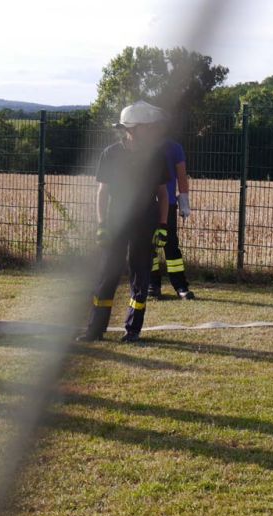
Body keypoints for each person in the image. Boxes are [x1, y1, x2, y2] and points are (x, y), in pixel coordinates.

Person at [77, 100, 170, 343]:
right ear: (133, 128)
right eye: (148, 127)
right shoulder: (111, 154)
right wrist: (102, 225)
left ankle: (132, 330)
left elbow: (163, 194)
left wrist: (162, 226)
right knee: (107, 274)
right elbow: (102, 192)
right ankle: (95, 330)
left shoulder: (156, 155)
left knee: (140, 276)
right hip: (116, 222)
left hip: (145, 223)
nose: (152, 131)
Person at [148, 137, 194, 299]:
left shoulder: (174, 148)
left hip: (169, 204)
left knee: (171, 244)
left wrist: (184, 202)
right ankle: (152, 285)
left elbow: (181, 176)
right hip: (146, 204)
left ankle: (181, 286)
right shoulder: (140, 147)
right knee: (148, 246)